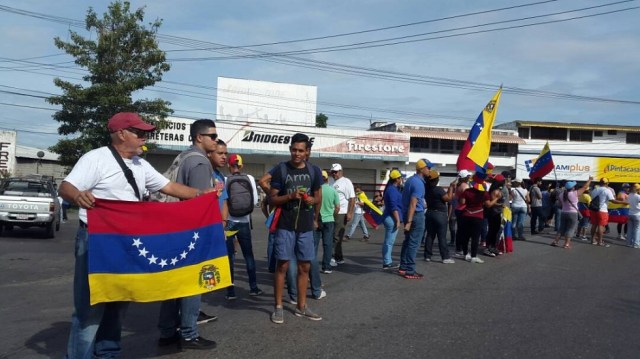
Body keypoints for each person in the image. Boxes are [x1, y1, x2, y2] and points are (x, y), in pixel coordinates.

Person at [59, 112, 211, 358]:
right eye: (139, 133)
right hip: (97, 241)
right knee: (91, 310)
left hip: (126, 243)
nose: (145, 137)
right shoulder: (96, 159)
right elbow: (65, 186)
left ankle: (107, 353)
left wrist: (202, 195)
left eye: (146, 133)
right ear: (121, 134)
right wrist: (77, 196)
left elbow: (169, 187)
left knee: (118, 303)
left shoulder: (141, 164)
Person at [157, 119, 219, 350]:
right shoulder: (200, 163)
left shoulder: (183, 157)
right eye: (212, 136)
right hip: (190, 232)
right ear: (199, 137)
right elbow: (199, 203)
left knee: (173, 283)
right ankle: (189, 333)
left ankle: (166, 331)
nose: (215, 139)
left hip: (173, 227)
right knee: (193, 283)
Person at [269, 133, 323, 324]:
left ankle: (301, 306)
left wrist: (311, 201)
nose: (296, 154)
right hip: (285, 224)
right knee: (282, 265)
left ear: (307, 151)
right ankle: (278, 307)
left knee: (304, 266)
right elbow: (272, 199)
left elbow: (318, 198)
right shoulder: (281, 170)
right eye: (294, 150)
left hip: (306, 226)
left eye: (301, 150)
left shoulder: (314, 171)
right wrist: (290, 196)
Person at [224, 154, 263, 299]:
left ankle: (230, 291)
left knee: (230, 257)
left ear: (228, 165)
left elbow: (224, 202)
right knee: (248, 255)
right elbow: (254, 201)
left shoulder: (225, 179)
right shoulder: (250, 178)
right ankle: (253, 287)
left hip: (230, 222)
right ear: (241, 165)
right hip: (245, 221)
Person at [398, 159, 433, 279]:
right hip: (416, 215)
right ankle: (410, 270)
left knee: (408, 242)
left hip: (409, 213)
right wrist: (409, 221)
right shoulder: (419, 183)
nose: (429, 170)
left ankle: (403, 267)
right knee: (414, 243)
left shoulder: (410, 180)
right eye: (428, 168)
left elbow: (412, 200)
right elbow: (413, 203)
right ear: (422, 169)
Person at [459, 174, 499, 263]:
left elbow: (462, 202)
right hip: (478, 216)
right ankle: (473, 256)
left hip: (466, 214)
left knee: (466, 236)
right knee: (475, 237)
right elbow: (488, 205)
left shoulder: (467, 191)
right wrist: (495, 199)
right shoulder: (484, 194)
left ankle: (466, 254)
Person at [423, 170, 456, 263]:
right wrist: (451, 188)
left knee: (430, 235)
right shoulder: (438, 189)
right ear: (436, 179)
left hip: (429, 212)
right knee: (442, 237)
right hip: (440, 214)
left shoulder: (426, 189)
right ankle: (445, 257)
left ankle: (427, 255)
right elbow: (448, 199)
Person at [551, 178, 591, 249]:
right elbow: (585, 187)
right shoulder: (575, 193)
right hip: (573, 213)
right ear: (572, 187)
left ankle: (555, 241)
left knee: (561, 228)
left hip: (563, 212)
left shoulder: (561, 194)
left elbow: (560, 204)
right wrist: (590, 180)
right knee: (571, 228)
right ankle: (566, 244)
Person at [589, 177, 627, 247]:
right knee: (601, 225)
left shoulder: (594, 190)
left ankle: (592, 240)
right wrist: (624, 202)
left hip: (593, 209)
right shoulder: (607, 190)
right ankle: (600, 242)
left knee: (594, 225)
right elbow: (613, 201)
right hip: (602, 210)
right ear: (606, 183)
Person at [330, 163, 355, 266]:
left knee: (336, 236)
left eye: (335, 172)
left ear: (340, 171)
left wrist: (349, 212)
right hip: (332, 212)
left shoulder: (346, 182)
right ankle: (339, 257)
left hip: (341, 213)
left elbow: (352, 198)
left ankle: (333, 257)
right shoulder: (332, 182)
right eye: (332, 172)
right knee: (334, 235)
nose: (334, 174)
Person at [317, 170, 340, 274]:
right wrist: (333, 216)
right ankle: (326, 267)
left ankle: (310, 268)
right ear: (327, 179)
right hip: (329, 220)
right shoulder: (333, 190)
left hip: (317, 219)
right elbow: (337, 207)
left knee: (314, 245)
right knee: (328, 244)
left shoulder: (316, 190)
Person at [381, 169, 403, 269]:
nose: (401, 179)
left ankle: (387, 261)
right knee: (389, 242)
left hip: (389, 217)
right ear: (397, 179)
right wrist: (398, 220)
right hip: (391, 218)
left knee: (388, 241)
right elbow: (394, 207)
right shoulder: (392, 190)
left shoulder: (391, 189)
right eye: (400, 177)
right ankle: (387, 262)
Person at [484, 174, 506, 257]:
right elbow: (492, 203)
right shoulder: (494, 191)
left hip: (498, 212)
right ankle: (488, 247)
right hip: (493, 212)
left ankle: (493, 247)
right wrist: (499, 203)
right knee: (492, 230)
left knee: (496, 230)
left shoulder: (498, 190)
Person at [452, 170, 472, 256]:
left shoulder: (458, 185)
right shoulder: (465, 186)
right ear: (465, 177)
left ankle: (458, 247)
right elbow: (466, 199)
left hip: (458, 209)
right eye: (468, 176)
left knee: (460, 230)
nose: (469, 177)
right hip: (464, 209)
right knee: (465, 230)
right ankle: (463, 248)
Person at [626, 183, 640, 248]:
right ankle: (636, 244)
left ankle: (629, 243)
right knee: (637, 229)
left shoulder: (629, 195)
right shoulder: (638, 196)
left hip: (630, 213)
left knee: (630, 229)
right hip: (637, 214)